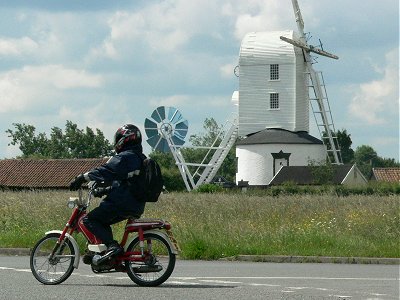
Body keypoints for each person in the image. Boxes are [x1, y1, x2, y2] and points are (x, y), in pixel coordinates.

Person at [69, 124, 146, 259]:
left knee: (90, 219)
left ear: (124, 139)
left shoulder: (125, 157)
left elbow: (106, 170)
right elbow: (127, 184)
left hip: (121, 203)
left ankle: (112, 246)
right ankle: (107, 253)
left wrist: (83, 177)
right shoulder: (141, 158)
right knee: (102, 221)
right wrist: (104, 190)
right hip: (136, 204)